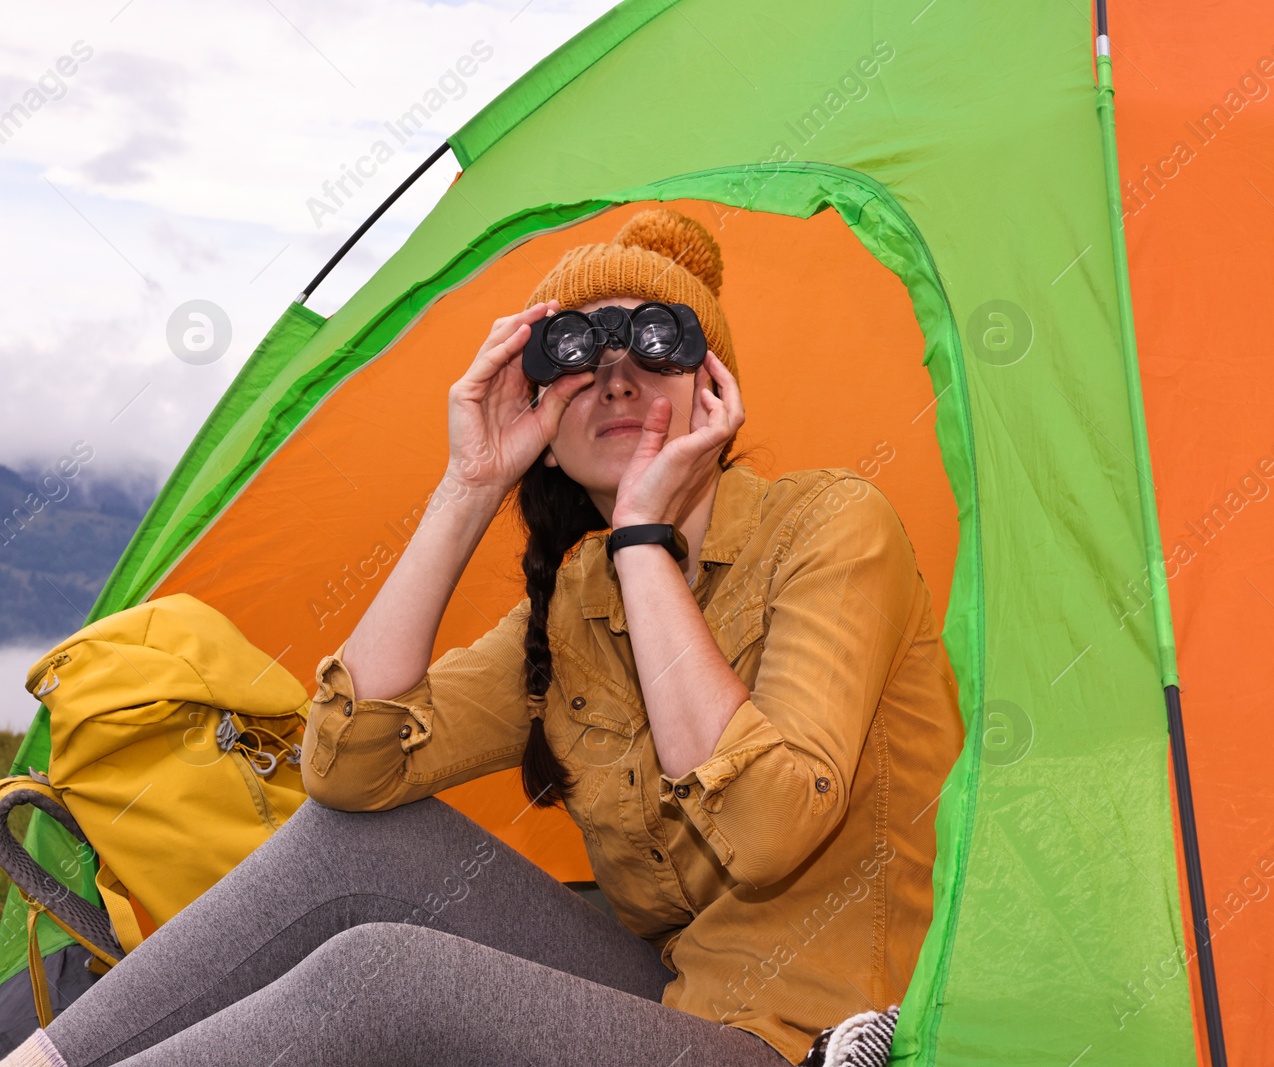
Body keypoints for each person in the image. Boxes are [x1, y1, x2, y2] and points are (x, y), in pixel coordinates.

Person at [2, 207, 963, 1067]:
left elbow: (764, 834)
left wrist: (640, 537)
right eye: (578, 357)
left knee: (382, 978)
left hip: (805, 1038)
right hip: (676, 1006)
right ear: (539, 411)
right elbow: (345, 768)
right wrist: (468, 487)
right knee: (360, 840)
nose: (617, 378)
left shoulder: (834, 526)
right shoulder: (577, 599)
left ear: (714, 387)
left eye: (654, 345)